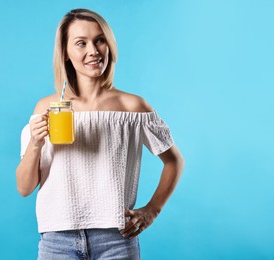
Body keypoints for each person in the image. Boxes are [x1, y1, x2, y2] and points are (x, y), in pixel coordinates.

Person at [16, 8, 184, 259]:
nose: (93, 51)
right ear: (65, 52)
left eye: (100, 40)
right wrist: (36, 144)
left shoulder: (133, 107)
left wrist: (151, 210)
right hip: (57, 240)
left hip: (116, 239)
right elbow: (24, 187)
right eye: (81, 43)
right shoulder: (47, 108)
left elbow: (173, 162)